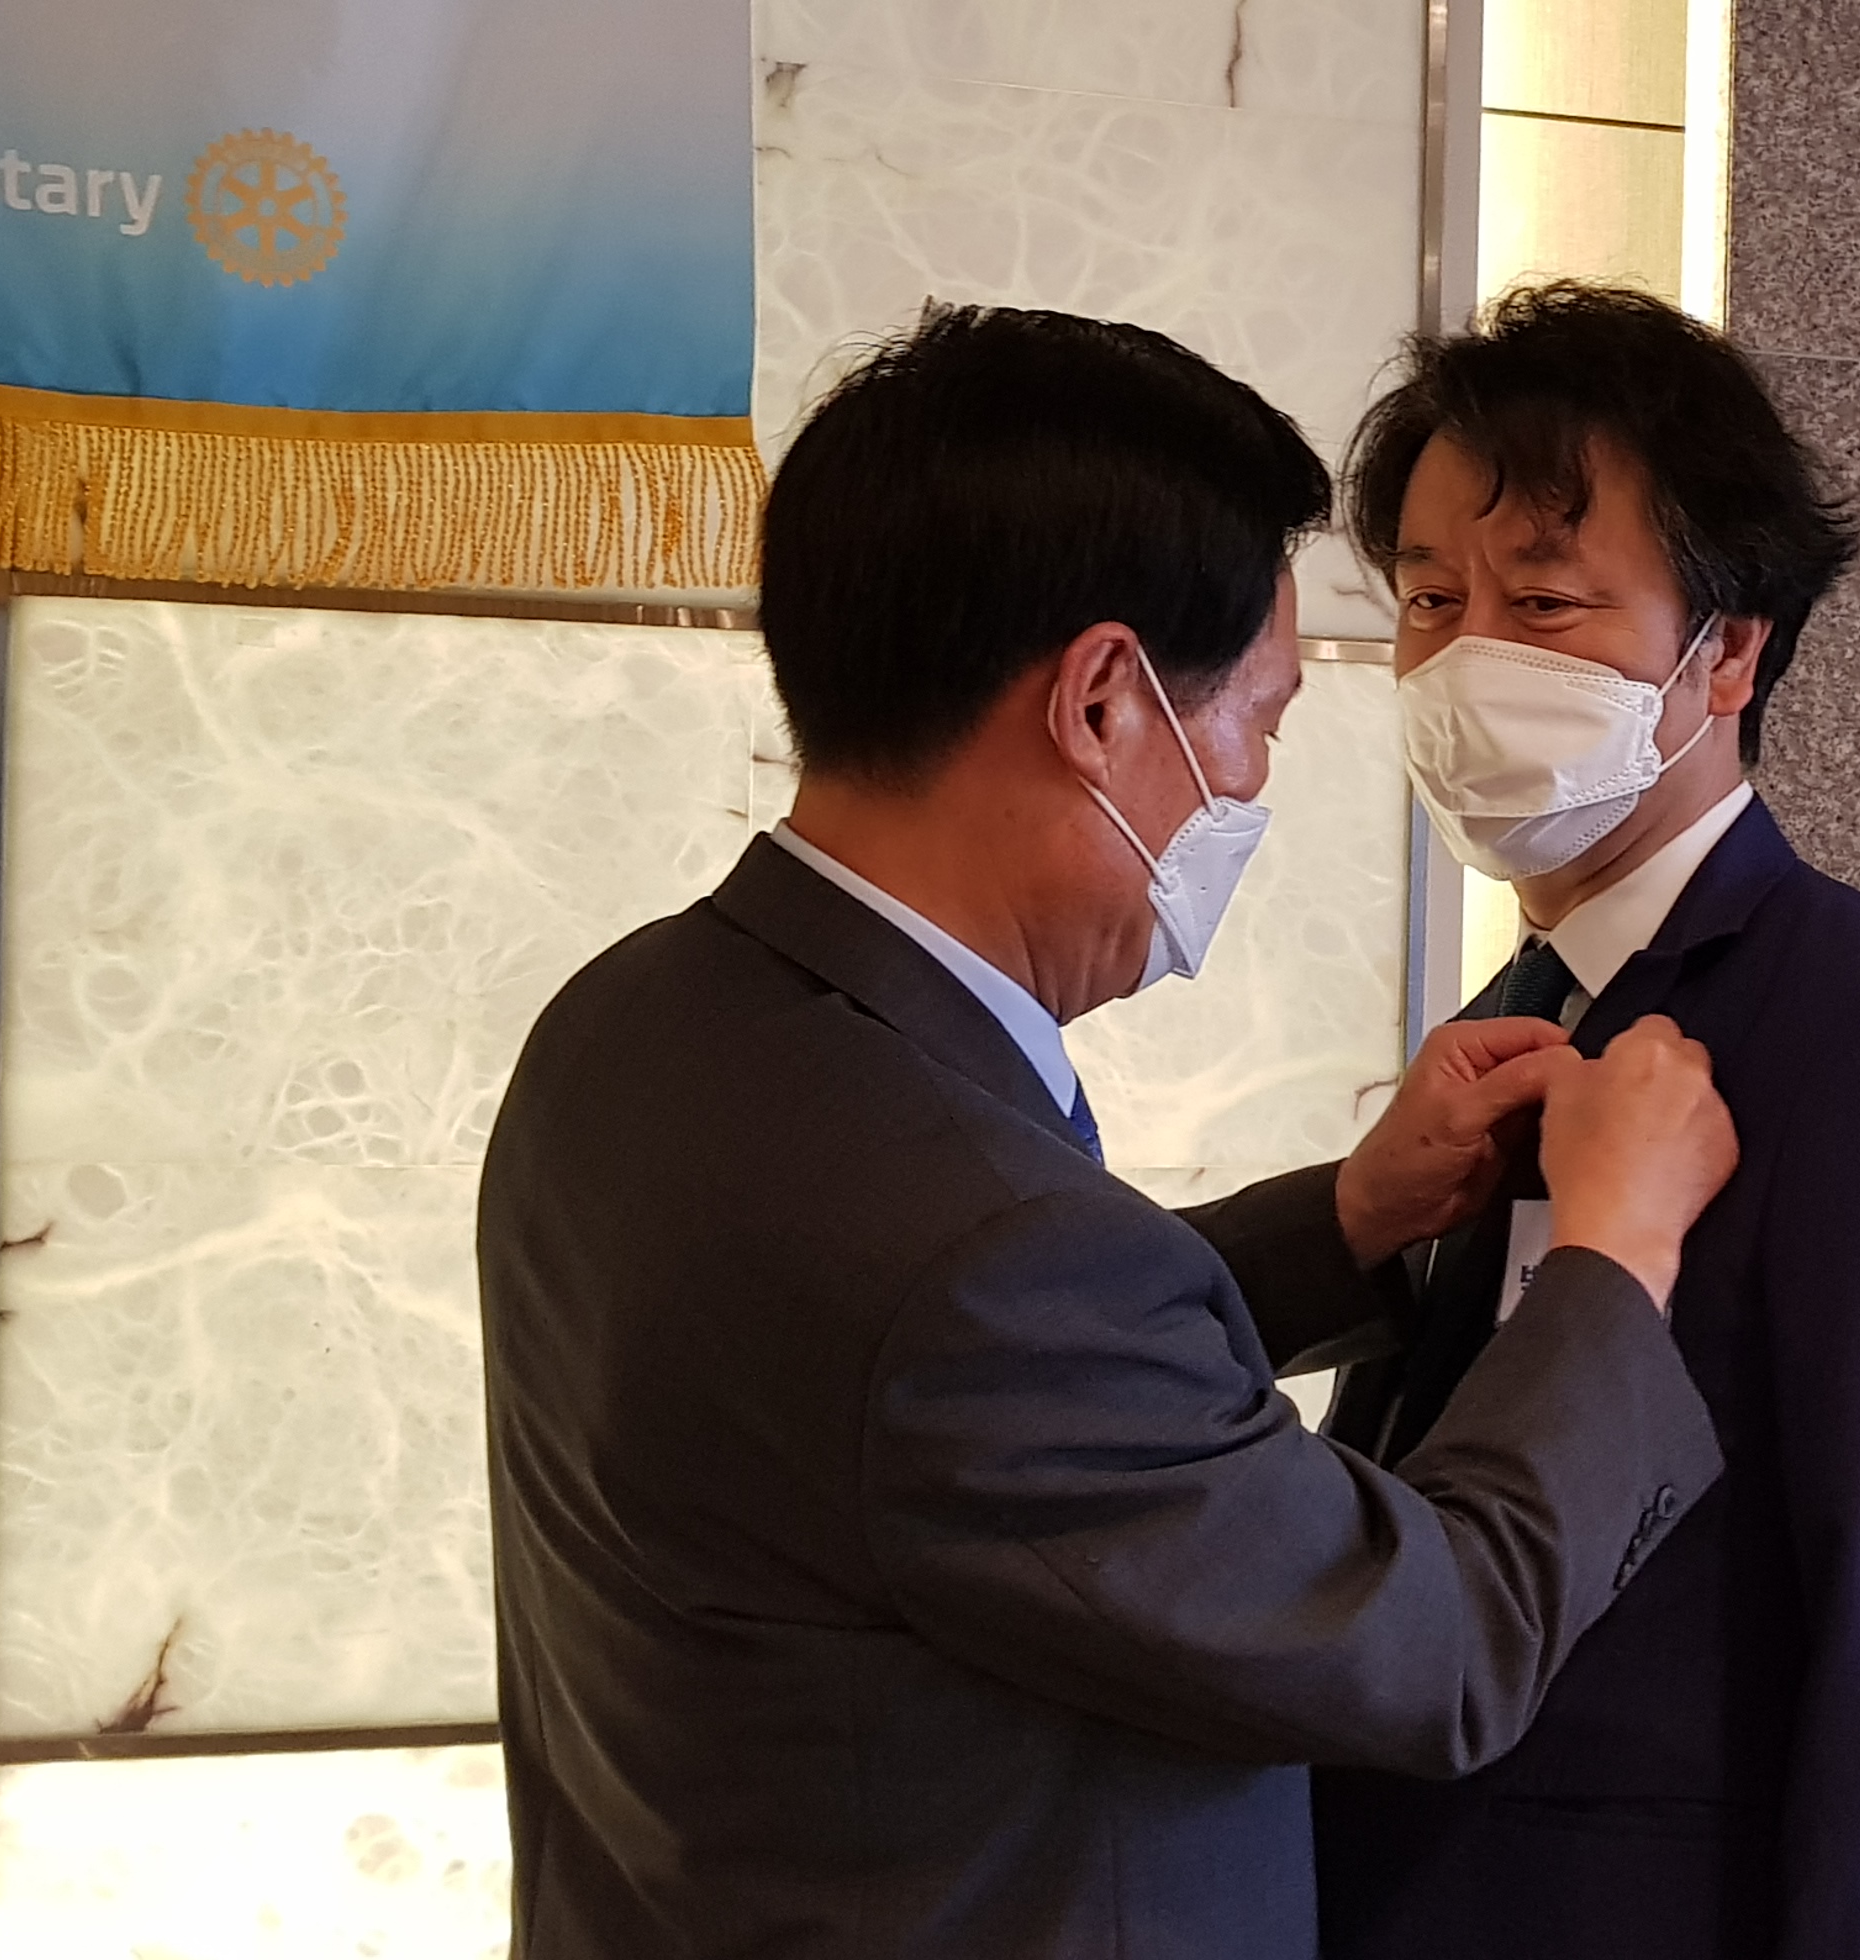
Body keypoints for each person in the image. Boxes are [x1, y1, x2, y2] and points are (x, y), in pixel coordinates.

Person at [475, 304, 1739, 1958]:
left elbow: (941, 1404)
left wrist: (1345, 1221)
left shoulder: (634, 1025)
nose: (1254, 785)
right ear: (1099, 705)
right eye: (1258, 722)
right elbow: (1438, 1645)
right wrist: (1614, 1258)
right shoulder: (973, 1258)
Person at [1310, 282, 1860, 1959]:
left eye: (1544, 600)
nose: (1467, 657)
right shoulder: (1510, 1017)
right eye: (1431, 600)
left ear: (1728, 649)